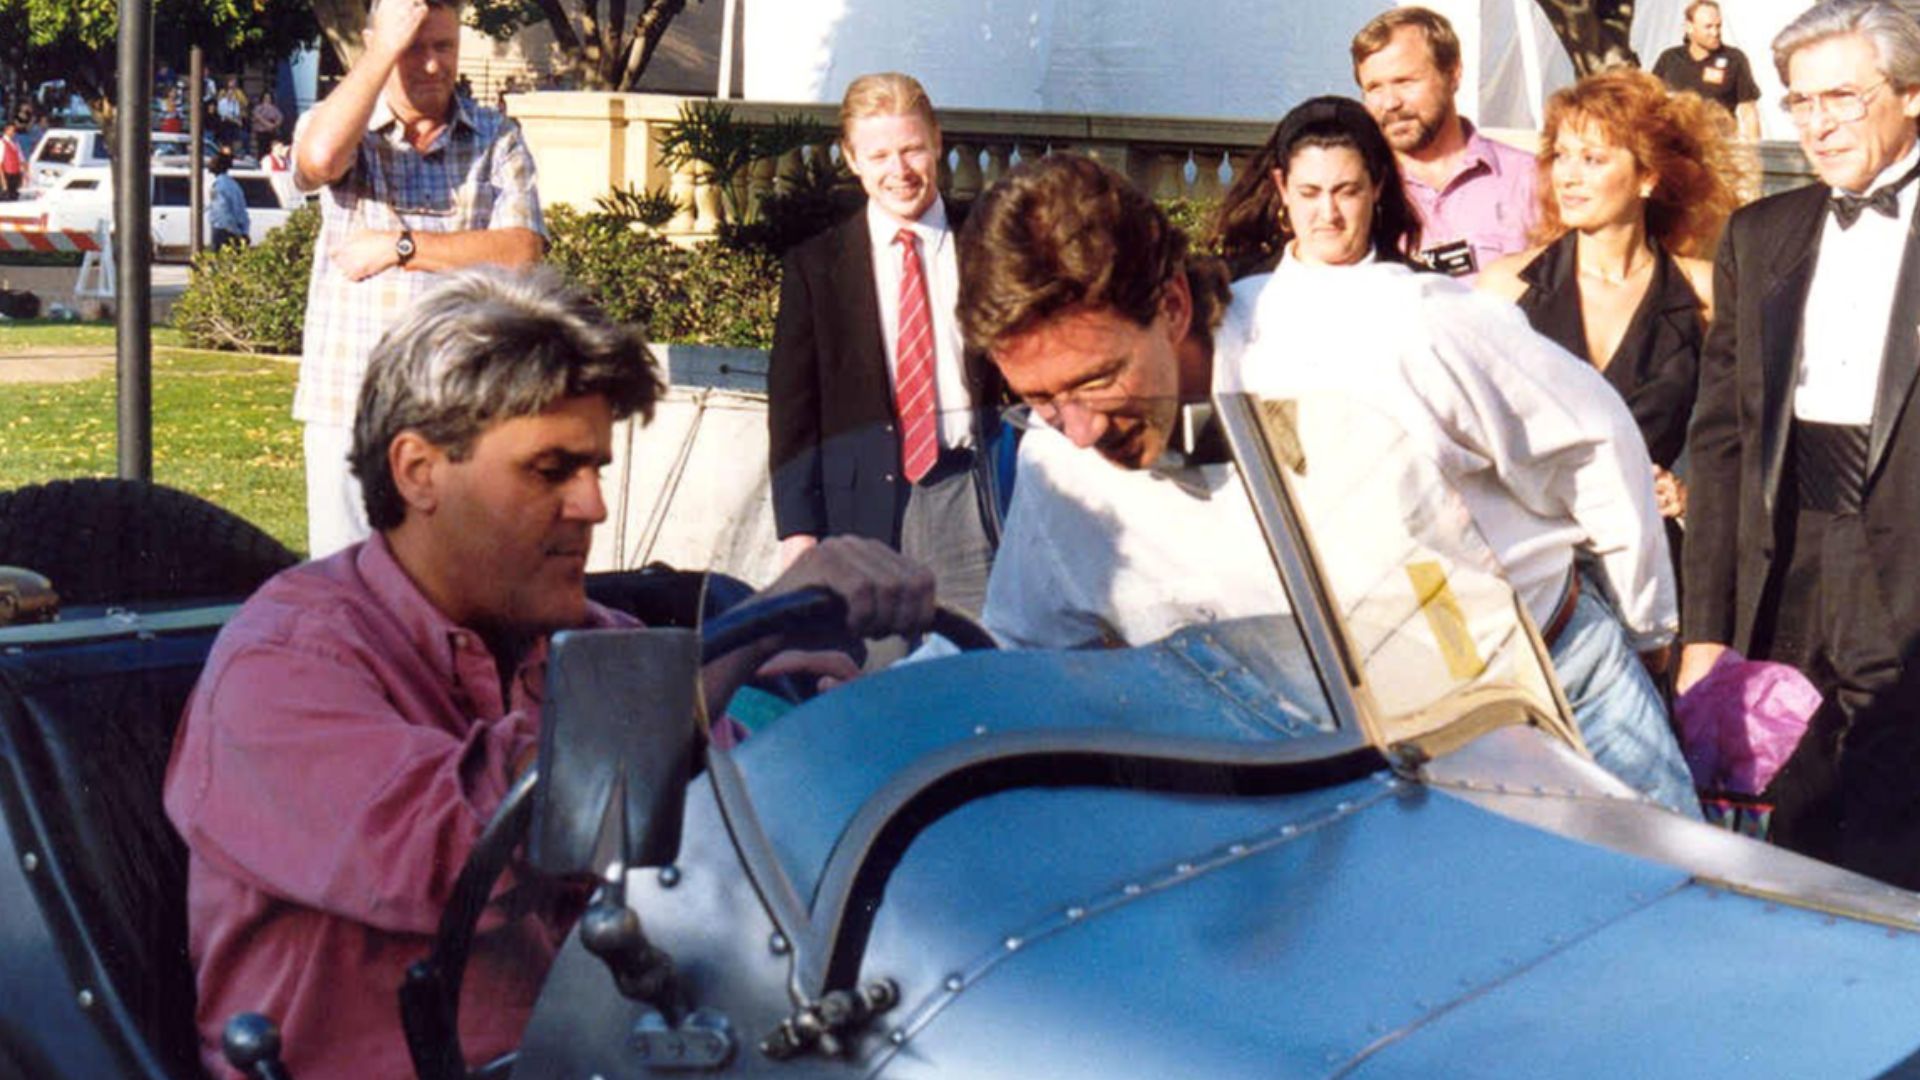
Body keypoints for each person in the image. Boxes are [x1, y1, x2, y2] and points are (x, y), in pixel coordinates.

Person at [164, 267, 937, 1080]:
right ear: (419, 471)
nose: (593, 505)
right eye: (550, 470)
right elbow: (484, 854)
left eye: (596, 467)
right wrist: (734, 646)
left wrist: (837, 747)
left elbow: (748, 838)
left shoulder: (587, 639)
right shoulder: (284, 663)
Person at [960, 120, 1697, 816]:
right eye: (1040, 400)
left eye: (1096, 381)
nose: (1079, 430)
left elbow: (1590, 438)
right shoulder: (1057, 462)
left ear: (1174, 304)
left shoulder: (1390, 334)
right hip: (1341, 768)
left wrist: (1648, 634)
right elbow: (1023, 649)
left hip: (1562, 700)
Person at [1681, 0, 1920, 887]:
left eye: (1843, 99)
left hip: (1907, 572)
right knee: (1787, 827)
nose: (1818, 125)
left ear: (1912, 94)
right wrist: (1705, 628)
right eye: (1800, 102)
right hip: (1786, 564)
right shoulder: (1759, 236)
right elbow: (1720, 445)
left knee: (1896, 839)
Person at [292, 0, 545, 559]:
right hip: (350, 409)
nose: (431, 65)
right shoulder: (345, 125)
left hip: (458, 414)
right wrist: (382, 48)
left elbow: (521, 252)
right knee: (348, 594)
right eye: (413, 48)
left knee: (454, 591)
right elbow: (319, 157)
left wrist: (401, 248)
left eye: (444, 47)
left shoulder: (496, 138)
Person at [767, 71, 1007, 617]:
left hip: (972, 498)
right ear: (851, 159)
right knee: (873, 682)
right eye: (877, 157)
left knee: (977, 676)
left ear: (938, 142)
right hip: (861, 511)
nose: (898, 172)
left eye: (912, 150)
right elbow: (793, 411)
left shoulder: (990, 245)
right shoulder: (815, 267)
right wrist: (798, 531)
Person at [1478, 68, 1743, 525]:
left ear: (1647, 177)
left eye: (1593, 159)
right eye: (1561, 155)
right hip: (1537, 558)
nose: (1568, 176)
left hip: (1651, 555)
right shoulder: (1507, 286)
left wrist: (1691, 497)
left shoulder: (1704, 291)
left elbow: (1748, 434)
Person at [1349, 6, 1537, 280]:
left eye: (1404, 81)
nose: (1390, 103)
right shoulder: (1357, 191)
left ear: (1453, 74)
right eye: (1375, 88)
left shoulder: (1532, 180)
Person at [1653, 1, 1764, 140]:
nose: (1715, 32)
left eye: (1718, 26)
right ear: (1689, 27)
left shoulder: (1734, 59)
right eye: (1708, 27)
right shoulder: (1669, 59)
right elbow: (1652, 103)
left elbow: (1749, 111)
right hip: (1677, 147)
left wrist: (1754, 152)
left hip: (1719, 147)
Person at [207, 150, 251, 250]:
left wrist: (234, 231)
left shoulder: (218, 186)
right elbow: (242, 212)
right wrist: (243, 232)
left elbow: (222, 212)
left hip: (223, 232)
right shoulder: (234, 184)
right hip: (236, 230)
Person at [215, 76, 249, 147]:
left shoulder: (237, 97)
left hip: (234, 123)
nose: (231, 94)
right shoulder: (222, 98)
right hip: (225, 123)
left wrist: (238, 120)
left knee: (243, 136)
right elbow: (224, 114)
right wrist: (236, 121)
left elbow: (244, 105)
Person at [250, 90, 284, 159]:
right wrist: (267, 124)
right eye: (266, 98)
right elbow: (257, 117)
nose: (267, 100)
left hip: (271, 130)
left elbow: (280, 117)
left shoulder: (274, 108)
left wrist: (275, 125)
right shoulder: (259, 107)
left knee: (272, 146)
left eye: (269, 98)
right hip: (261, 130)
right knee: (262, 148)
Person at [0, 123, 22, 201]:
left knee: (13, 198)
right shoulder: (1, 143)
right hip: (7, 174)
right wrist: (3, 181)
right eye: (11, 130)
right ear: (6, 130)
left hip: (15, 175)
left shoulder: (15, 143)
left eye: (14, 130)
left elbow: (19, 160)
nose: (13, 132)